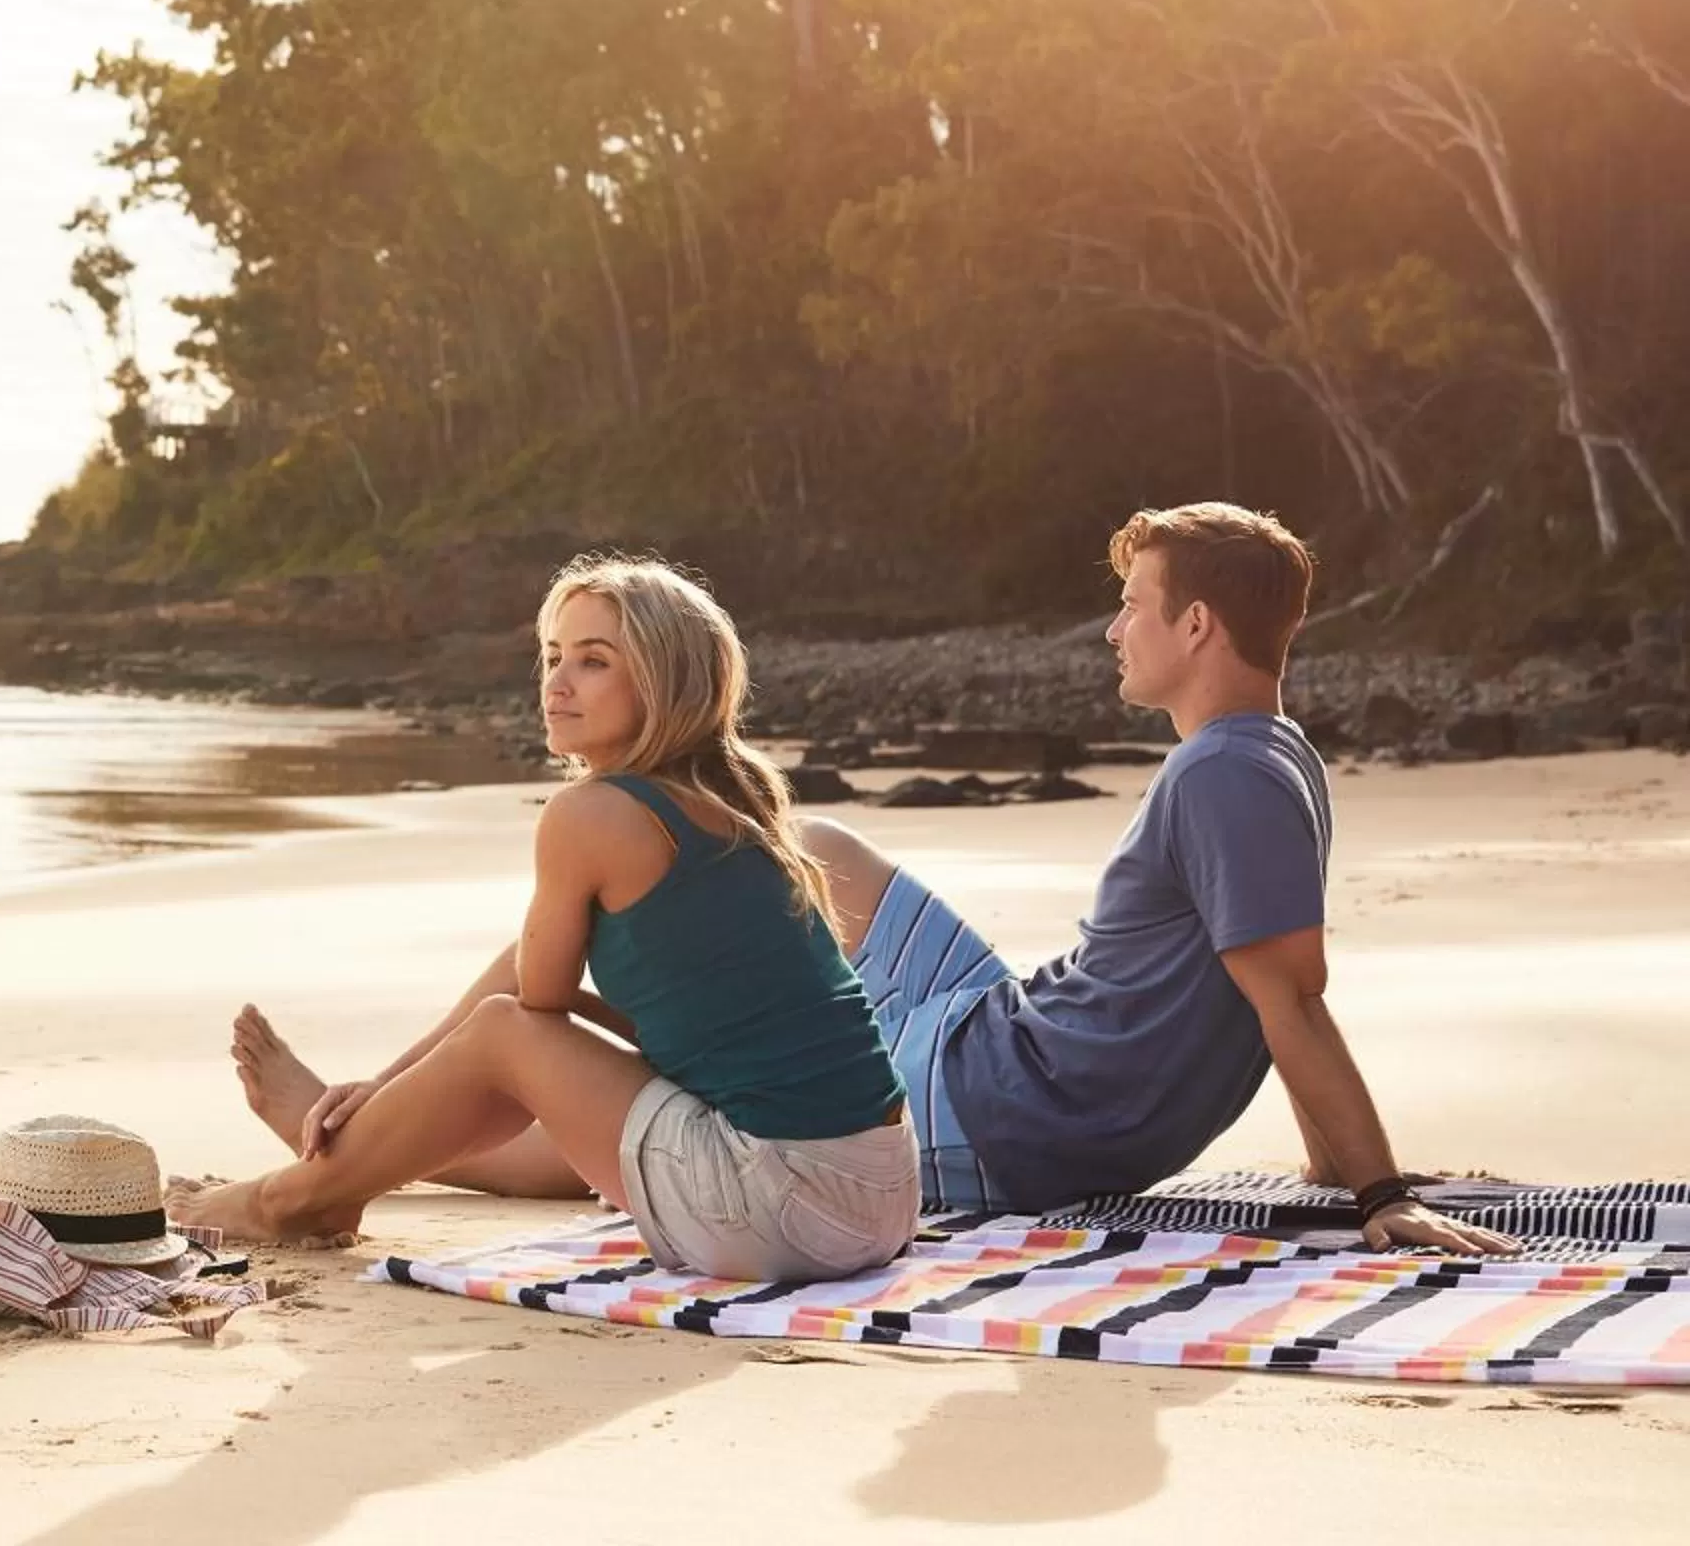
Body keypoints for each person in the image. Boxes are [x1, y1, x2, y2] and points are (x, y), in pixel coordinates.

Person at [230, 503, 1516, 1258]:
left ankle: (352, 1129)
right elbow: (1253, 993)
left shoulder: (1224, 779)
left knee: (676, 1071)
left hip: (991, 1105)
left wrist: (1376, 1191)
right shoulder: (1271, 753)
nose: (1113, 627)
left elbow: (1288, 996)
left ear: (1196, 627)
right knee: (817, 852)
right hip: (1005, 1028)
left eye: (1135, 603)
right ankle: (373, 1101)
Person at [167, 556, 921, 1279]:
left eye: (594, 661)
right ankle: (346, 1165)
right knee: (515, 1004)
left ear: (665, 684)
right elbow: (554, 985)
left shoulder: (591, 814)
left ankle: (288, 1200)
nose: (558, 683)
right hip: (883, 1199)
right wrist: (385, 1081)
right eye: (553, 656)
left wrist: (423, 1071)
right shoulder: (736, 808)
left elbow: (534, 1012)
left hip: (786, 1211)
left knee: (507, 1028)